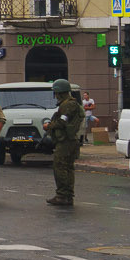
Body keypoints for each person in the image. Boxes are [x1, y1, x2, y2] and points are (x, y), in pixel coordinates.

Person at [45, 78, 85, 207]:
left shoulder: (68, 105)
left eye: (56, 93)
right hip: (69, 141)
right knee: (67, 168)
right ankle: (67, 196)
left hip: (66, 142)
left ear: (59, 92)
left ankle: (62, 195)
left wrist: (49, 126)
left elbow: (62, 122)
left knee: (60, 167)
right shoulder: (71, 104)